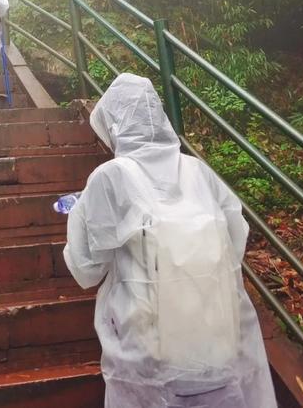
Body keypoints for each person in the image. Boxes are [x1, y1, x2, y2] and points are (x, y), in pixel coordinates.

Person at [63, 73, 277, 408]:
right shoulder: (198, 171)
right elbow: (235, 241)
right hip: (217, 346)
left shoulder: (111, 177)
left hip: (150, 359)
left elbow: (86, 269)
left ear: (113, 125)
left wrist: (81, 217)